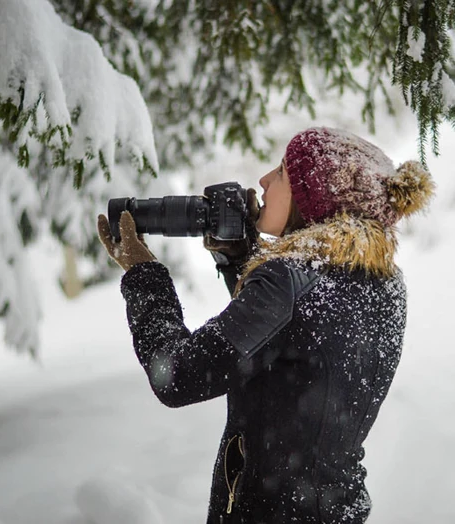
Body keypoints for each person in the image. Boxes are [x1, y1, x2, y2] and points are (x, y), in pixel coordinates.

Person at [97, 127, 433, 524]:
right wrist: (241, 261)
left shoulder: (286, 282)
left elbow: (177, 377)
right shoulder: (384, 284)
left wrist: (143, 274)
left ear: (314, 196)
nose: (263, 182)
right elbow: (294, 349)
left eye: (282, 173)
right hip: (336, 509)